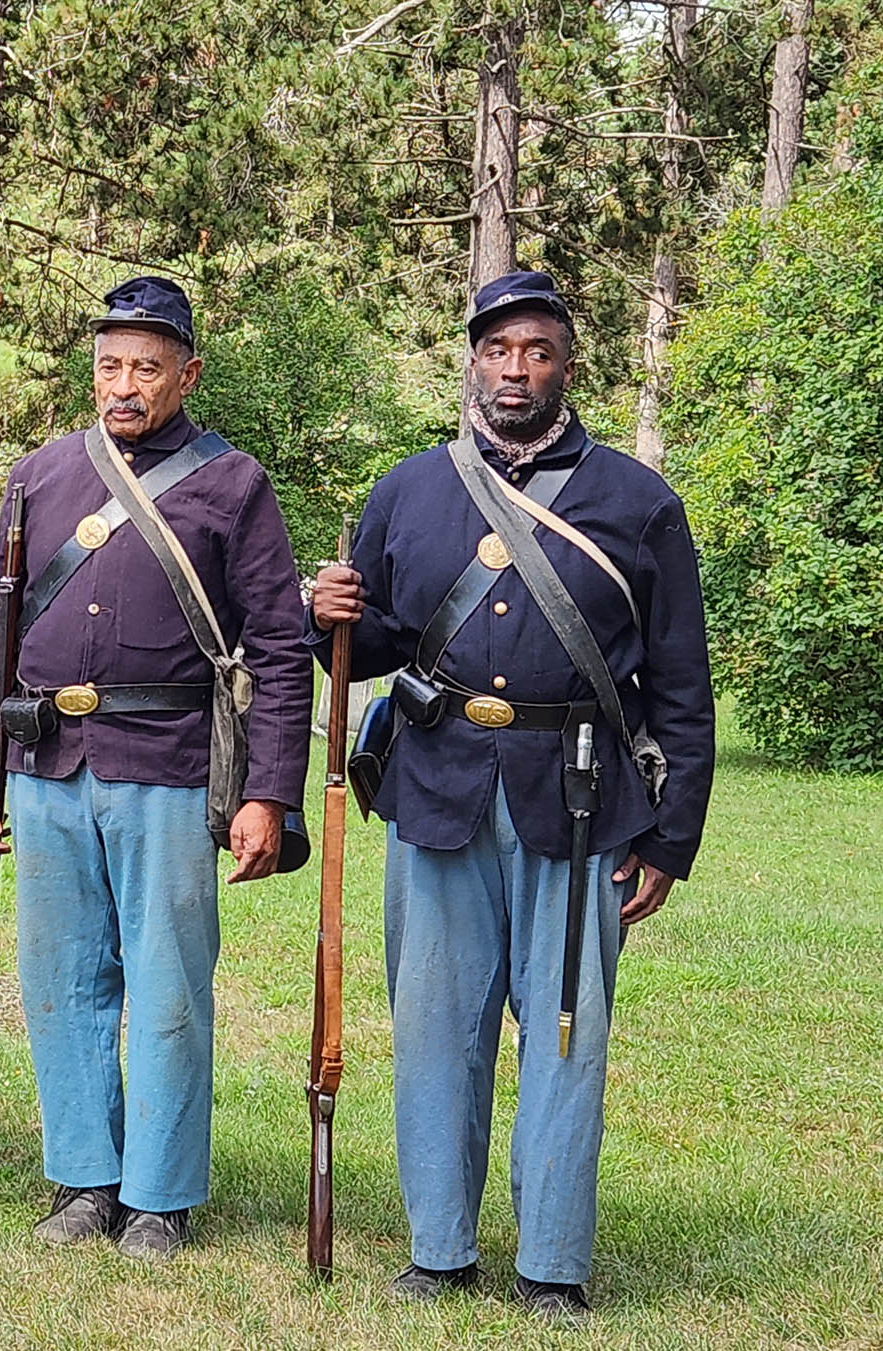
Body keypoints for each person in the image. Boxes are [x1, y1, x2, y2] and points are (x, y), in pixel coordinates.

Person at [308, 271, 714, 1320]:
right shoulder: (409, 489)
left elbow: (680, 681)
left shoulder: (637, 500)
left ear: (567, 363)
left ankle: (552, 1268)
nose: (516, 369)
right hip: (438, 788)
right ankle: (440, 1250)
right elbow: (379, 646)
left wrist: (670, 837)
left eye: (536, 350)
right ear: (473, 361)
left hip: (579, 794)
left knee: (569, 1040)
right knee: (439, 1029)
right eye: (497, 350)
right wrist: (329, 616)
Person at [0, 276, 311, 1259]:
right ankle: (82, 1180)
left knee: (166, 987)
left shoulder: (231, 484)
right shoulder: (39, 474)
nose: (125, 384)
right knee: (63, 981)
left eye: (147, 368)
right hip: (46, 763)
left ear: (186, 374)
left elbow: (279, 644)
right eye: (111, 365)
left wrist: (269, 794)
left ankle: (157, 1196)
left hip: (168, 766)